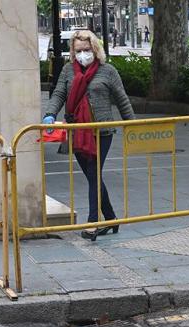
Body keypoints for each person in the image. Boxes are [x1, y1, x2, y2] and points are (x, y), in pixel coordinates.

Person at [43, 30, 135, 241]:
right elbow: (58, 94)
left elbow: (122, 99)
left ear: (95, 49)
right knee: (93, 176)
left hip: (101, 132)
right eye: (78, 51)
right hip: (77, 131)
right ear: (72, 52)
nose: (82, 54)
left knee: (93, 173)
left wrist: (133, 124)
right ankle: (111, 218)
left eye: (86, 50)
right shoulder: (68, 71)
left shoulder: (108, 71)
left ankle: (93, 222)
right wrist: (49, 114)